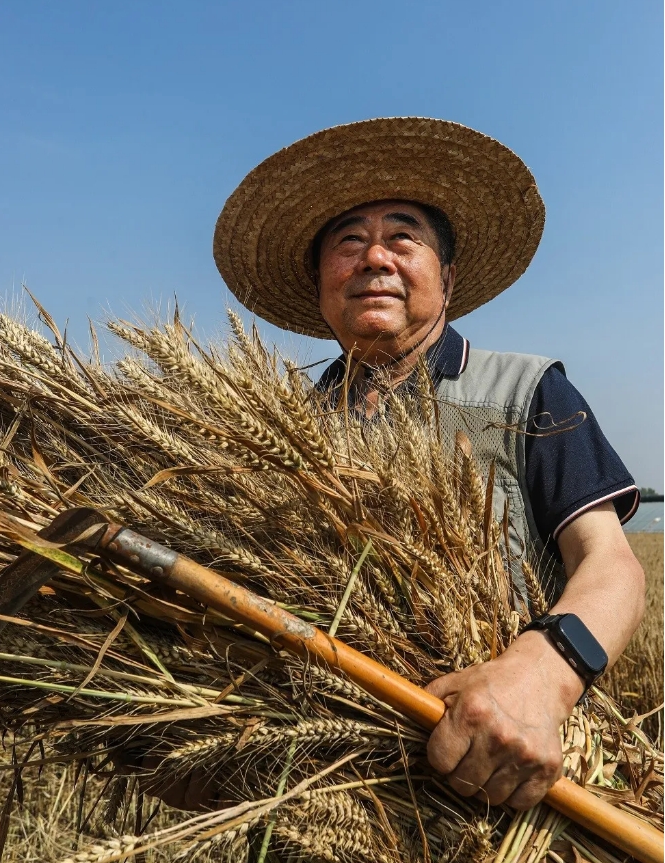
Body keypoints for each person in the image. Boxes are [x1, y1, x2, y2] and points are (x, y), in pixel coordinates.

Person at [154, 118, 644, 812]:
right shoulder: (268, 430)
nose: (374, 258)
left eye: (401, 237)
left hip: (498, 791)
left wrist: (541, 673)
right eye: (348, 241)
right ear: (320, 281)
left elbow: (612, 565)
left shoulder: (525, 391)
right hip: (318, 797)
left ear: (445, 277)